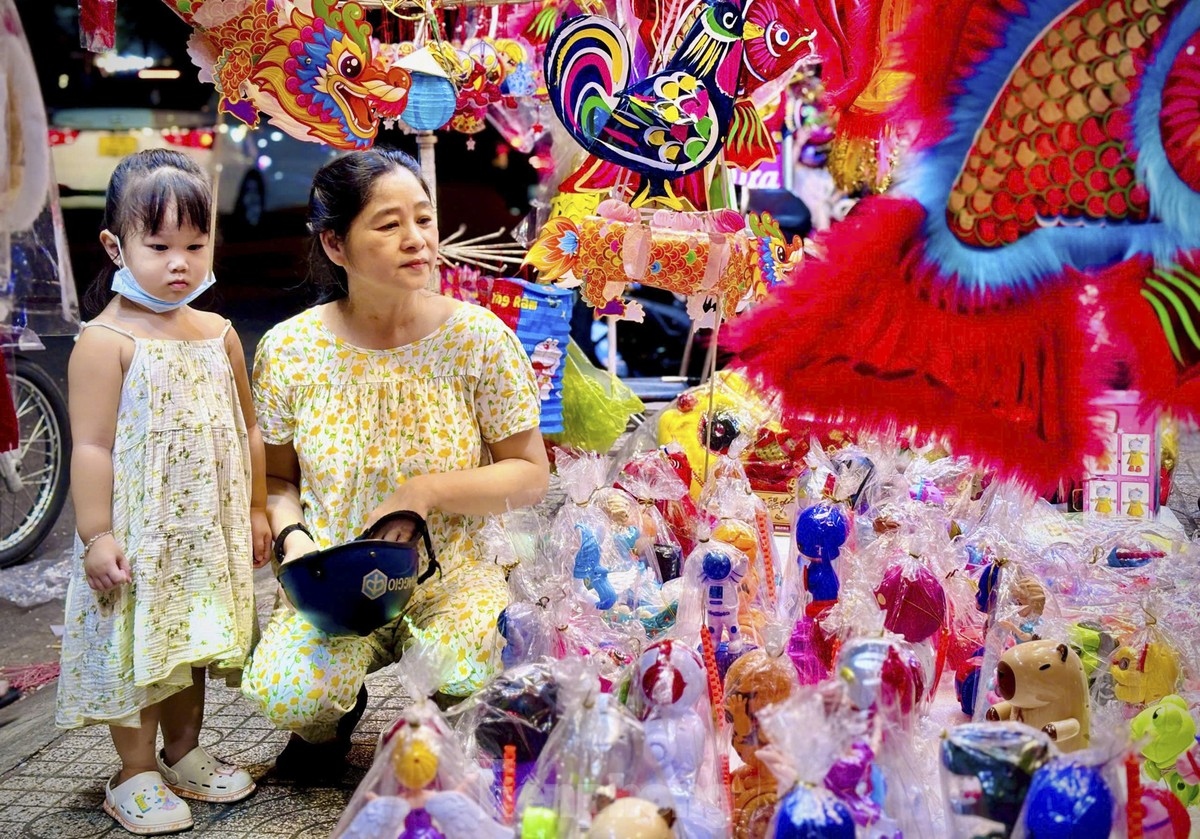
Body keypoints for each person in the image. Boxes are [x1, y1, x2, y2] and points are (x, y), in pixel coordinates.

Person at [243, 148, 549, 780]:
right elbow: (276, 479)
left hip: (450, 574)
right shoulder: (290, 350)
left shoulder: (479, 338)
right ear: (335, 244)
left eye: (424, 220)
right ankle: (331, 717)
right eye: (388, 225)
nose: (417, 240)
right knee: (291, 692)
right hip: (332, 583)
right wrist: (292, 534)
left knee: (465, 668)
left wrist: (425, 491)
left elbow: (528, 472)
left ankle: (439, 710)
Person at [55, 149, 271, 834]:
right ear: (115, 245)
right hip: (139, 539)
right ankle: (135, 770)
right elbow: (90, 445)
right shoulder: (105, 339)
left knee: (193, 643)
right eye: (159, 244)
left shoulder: (219, 334)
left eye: (194, 243)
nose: (180, 261)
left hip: (206, 532)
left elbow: (249, 428)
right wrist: (98, 534)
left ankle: (184, 752)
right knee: (139, 651)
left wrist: (259, 506)